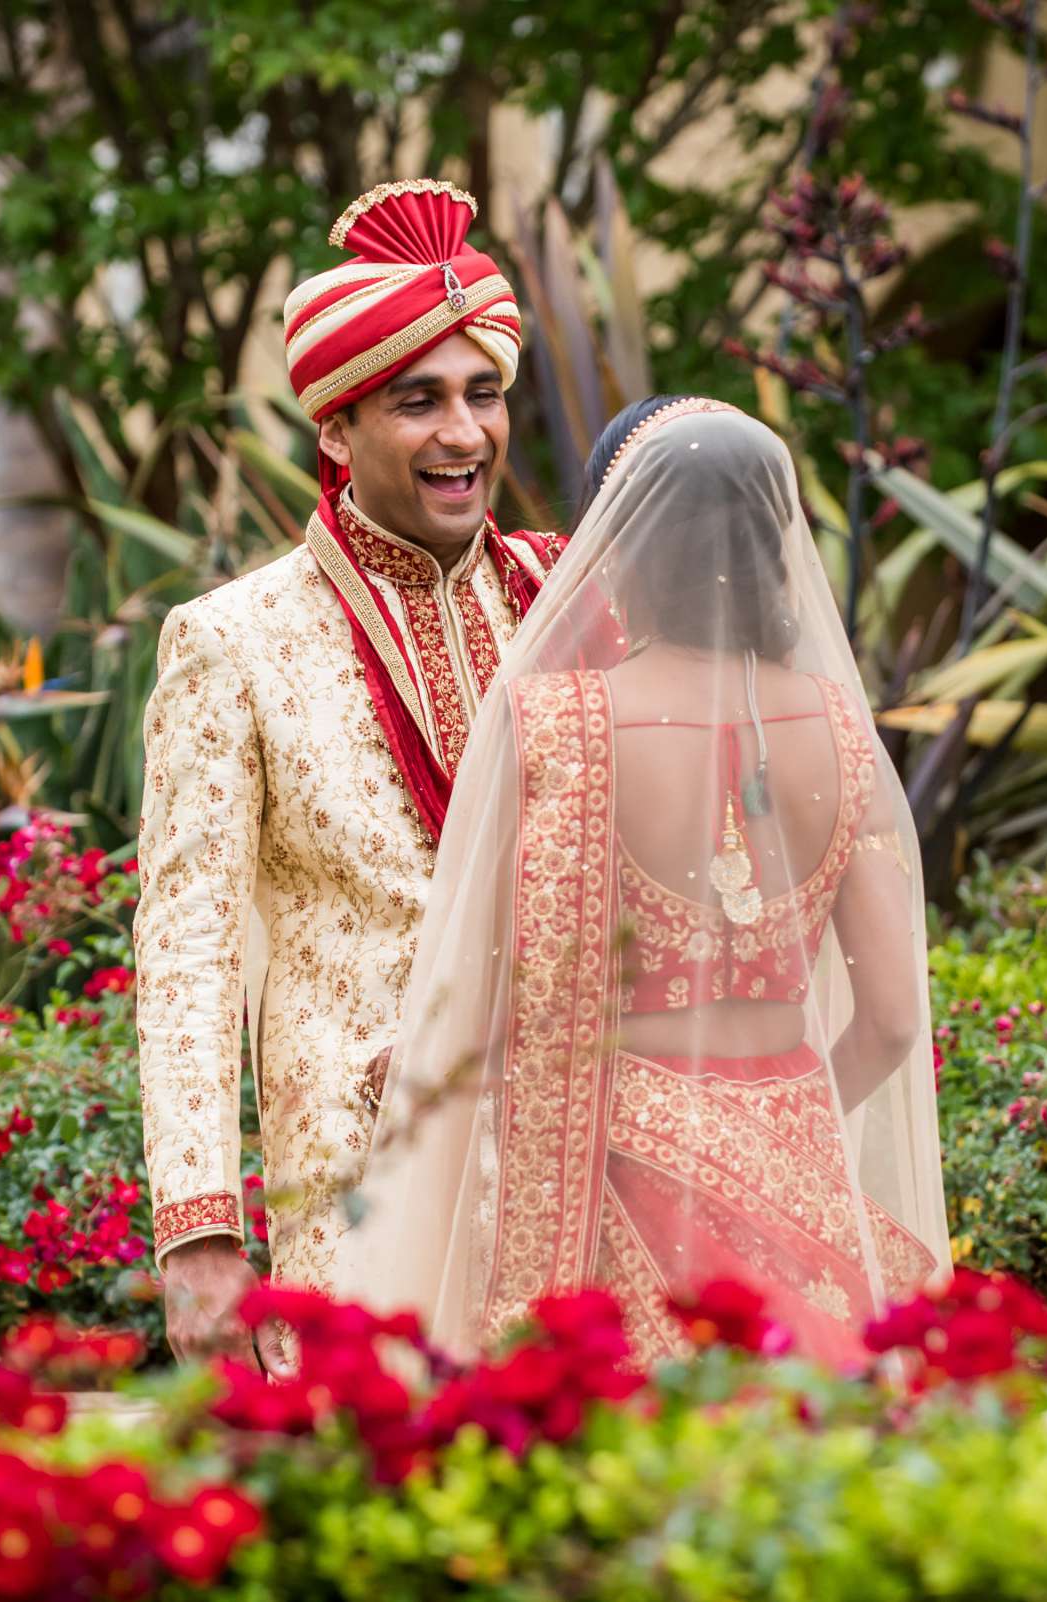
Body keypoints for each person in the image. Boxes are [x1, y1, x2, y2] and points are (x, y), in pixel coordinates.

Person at [333, 397, 948, 1364]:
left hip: (616, 1184)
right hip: (803, 1177)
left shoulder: (556, 726)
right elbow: (894, 1024)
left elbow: (484, 996)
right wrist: (782, 1139)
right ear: (777, 547)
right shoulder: (843, 735)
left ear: (613, 550)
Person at [135, 180, 566, 1372]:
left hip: (570, 1164)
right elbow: (189, 943)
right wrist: (199, 1228)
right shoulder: (234, 639)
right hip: (358, 1180)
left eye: (483, 395)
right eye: (417, 400)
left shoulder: (565, 602)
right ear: (335, 427)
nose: (464, 433)